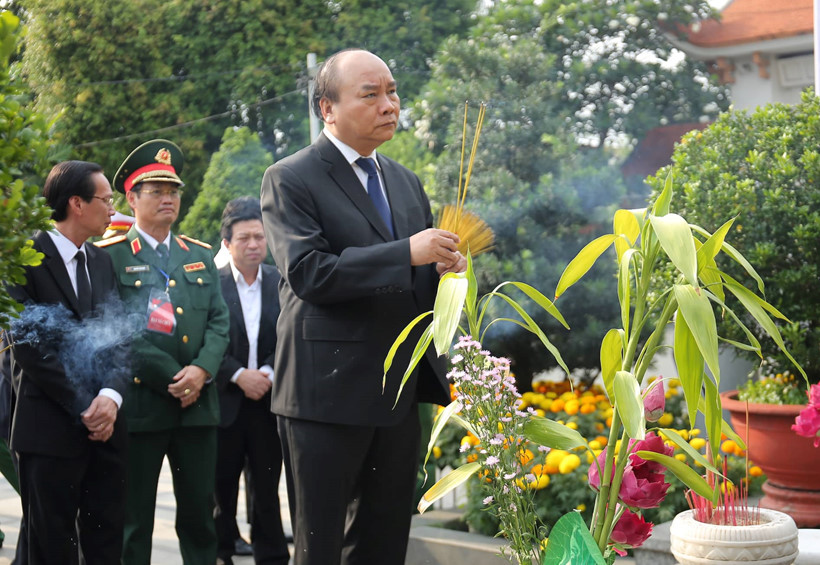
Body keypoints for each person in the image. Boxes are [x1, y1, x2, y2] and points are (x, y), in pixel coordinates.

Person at [259, 48, 466, 565]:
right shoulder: (291, 177)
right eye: (370, 94)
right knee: (321, 544)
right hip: (323, 395)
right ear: (327, 108)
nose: (389, 105)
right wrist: (407, 253)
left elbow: (409, 284)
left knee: (384, 539)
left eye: (392, 91)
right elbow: (308, 272)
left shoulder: (404, 180)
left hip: (396, 392)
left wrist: (441, 275)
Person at [99, 140, 230, 565]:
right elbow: (116, 330)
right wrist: (175, 376)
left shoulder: (200, 255)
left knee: (199, 518)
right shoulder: (112, 257)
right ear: (131, 198)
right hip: (141, 405)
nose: (168, 199)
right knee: (133, 519)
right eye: (155, 191)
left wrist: (202, 372)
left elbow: (218, 321)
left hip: (197, 408)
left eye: (173, 190)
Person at [6, 160, 127, 564]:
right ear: (76, 203)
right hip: (49, 429)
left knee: (105, 539)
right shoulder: (25, 258)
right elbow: (30, 347)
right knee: (50, 545)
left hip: (103, 430)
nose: (113, 209)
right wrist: (84, 406)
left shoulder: (101, 261)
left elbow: (119, 336)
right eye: (106, 199)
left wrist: (110, 397)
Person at [214, 197, 289, 565]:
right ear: (227, 243)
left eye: (260, 237)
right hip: (224, 400)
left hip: (268, 402)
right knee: (221, 488)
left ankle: (272, 556)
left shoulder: (280, 281)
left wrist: (269, 373)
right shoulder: (211, 283)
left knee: (266, 487)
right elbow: (203, 339)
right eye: (244, 238)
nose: (254, 244)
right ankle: (221, 553)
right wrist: (238, 374)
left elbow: (290, 336)